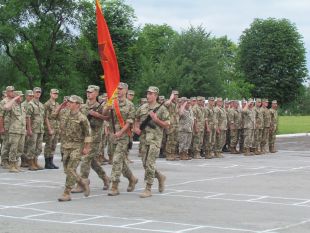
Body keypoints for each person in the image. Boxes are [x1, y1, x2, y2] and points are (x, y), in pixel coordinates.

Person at [103, 82, 138, 196]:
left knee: (117, 160)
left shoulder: (130, 105)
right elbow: (104, 114)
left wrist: (121, 132)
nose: (118, 90)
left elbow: (129, 122)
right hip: (113, 136)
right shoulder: (113, 102)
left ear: (126, 90)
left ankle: (114, 186)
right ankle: (132, 178)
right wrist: (108, 107)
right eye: (117, 88)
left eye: (121, 89)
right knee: (119, 161)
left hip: (123, 136)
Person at [134, 86, 169, 198]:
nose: (148, 95)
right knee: (145, 164)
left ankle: (148, 188)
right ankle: (159, 176)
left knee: (150, 164)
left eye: (151, 93)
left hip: (155, 140)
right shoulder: (143, 107)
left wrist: (156, 119)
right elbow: (136, 118)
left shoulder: (162, 109)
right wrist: (136, 128)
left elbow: (167, 124)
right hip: (144, 140)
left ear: (156, 96)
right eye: (148, 93)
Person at [74, 85, 110, 193]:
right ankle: (105, 178)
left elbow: (107, 117)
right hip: (84, 137)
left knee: (85, 159)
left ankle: (82, 183)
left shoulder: (100, 106)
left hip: (94, 137)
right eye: (87, 92)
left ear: (96, 93)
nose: (88, 93)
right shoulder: (83, 106)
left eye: (91, 92)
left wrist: (97, 115)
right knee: (91, 161)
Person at [58, 95, 91, 202]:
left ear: (78, 105)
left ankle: (66, 193)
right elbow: (53, 115)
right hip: (65, 145)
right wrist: (61, 106)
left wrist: (86, 147)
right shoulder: (64, 113)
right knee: (67, 170)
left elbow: (88, 133)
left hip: (77, 146)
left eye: (71, 102)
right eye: (69, 102)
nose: (69, 103)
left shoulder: (82, 118)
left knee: (71, 168)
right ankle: (82, 182)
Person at [4, 91, 26, 172]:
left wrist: (25, 129)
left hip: (22, 131)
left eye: (22, 96)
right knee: (13, 148)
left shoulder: (22, 106)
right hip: (14, 131)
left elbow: (24, 119)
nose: (21, 98)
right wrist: (14, 99)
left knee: (20, 149)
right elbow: (6, 107)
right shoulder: (12, 105)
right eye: (20, 96)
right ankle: (12, 165)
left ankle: (16, 164)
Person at [26, 87, 45, 170]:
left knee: (39, 147)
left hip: (40, 128)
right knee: (32, 146)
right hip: (33, 128)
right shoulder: (30, 104)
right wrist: (29, 129)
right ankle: (30, 163)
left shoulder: (41, 104)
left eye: (39, 92)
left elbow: (43, 117)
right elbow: (28, 117)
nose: (38, 93)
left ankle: (35, 161)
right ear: (33, 93)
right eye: (36, 92)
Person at [43, 89, 60, 169]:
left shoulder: (57, 104)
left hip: (56, 127)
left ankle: (51, 161)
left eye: (56, 93)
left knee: (53, 145)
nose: (55, 95)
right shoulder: (47, 104)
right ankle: (47, 163)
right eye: (54, 93)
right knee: (49, 144)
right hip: (50, 126)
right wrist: (49, 129)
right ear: (50, 94)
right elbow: (45, 117)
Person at [0, 86, 15, 168]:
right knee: (5, 144)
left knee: (11, 143)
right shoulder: (3, 102)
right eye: (11, 91)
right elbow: (1, 116)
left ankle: (9, 160)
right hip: (6, 125)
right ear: (7, 92)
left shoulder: (13, 101)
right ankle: (4, 161)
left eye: (13, 91)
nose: (12, 92)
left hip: (13, 126)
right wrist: (1, 127)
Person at [164, 90, 179, 161]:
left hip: (176, 124)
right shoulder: (169, 102)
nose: (176, 96)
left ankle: (173, 154)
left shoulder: (176, 103)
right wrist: (170, 98)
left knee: (175, 140)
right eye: (174, 95)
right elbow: (166, 104)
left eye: (177, 95)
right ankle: (169, 154)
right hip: (170, 124)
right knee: (170, 140)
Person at [20, 90, 34, 167]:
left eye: (32, 96)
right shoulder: (23, 105)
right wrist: (26, 128)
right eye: (29, 96)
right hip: (24, 127)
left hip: (32, 127)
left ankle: (29, 160)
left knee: (30, 145)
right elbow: (23, 117)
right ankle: (23, 161)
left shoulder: (33, 104)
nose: (31, 97)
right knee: (24, 145)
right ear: (26, 96)